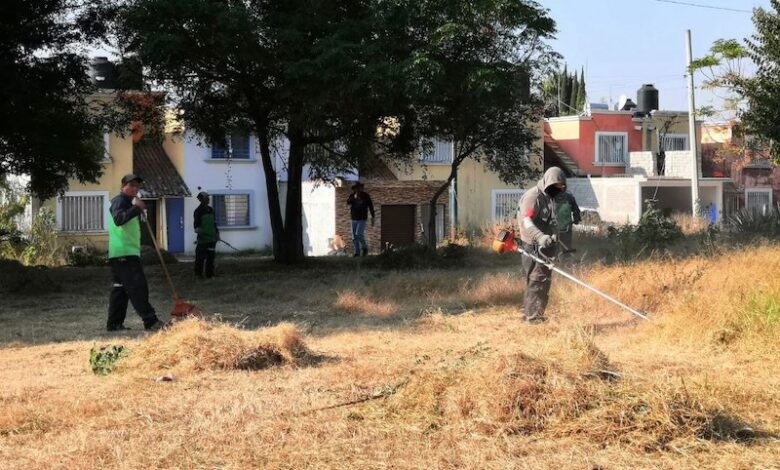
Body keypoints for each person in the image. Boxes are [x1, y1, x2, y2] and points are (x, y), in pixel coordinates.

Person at [107, 174, 164, 331]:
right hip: (125, 253)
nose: (134, 189)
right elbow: (119, 219)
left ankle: (114, 324)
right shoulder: (120, 201)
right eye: (131, 185)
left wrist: (137, 210)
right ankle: (151, 321)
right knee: (137, 286)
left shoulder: (127, 203)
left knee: (120, 289)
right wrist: (137, 208)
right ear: (123, 187)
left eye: (137, 186)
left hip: (120, 253)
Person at [517, 167, 566, 324]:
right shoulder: (534, 197)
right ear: (548, 183)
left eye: (561, 188)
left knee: (541, 280)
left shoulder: (548, 196)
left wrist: (554, 237)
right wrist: (541, 237)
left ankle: (533, 314)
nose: (558, 191)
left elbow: (550, 220)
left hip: (544, 245)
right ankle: (533, 319)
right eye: (556, 187)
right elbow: (526, 221)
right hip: (532, 245)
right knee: (537, 280)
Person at [194, 191, 219, 278]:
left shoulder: (211, 210)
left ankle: (210, 274)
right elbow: (196, 227)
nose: (208, 199)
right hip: (202, 240)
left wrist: (217, 234)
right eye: (206, 197)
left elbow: (214, 223)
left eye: (208, 197)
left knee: (211, 257)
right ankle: (198, 275)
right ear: (202, 199)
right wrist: (203, 234)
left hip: (212, 239)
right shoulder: (198, 211)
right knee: (200, 257)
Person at [346, 181, 375, 257]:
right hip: (354, 218)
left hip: (362, 219)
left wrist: (373, 217)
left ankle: (365, 248)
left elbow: (371, 206)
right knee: (354, 237)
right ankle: (357, 253)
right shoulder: (352, 196)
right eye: (356, 188)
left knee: (359, 234)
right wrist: (353, 198)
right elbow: (348, 202)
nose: (358, 190)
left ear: (362, 188)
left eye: (360, 188)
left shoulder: (366, 196)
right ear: (354, 189)